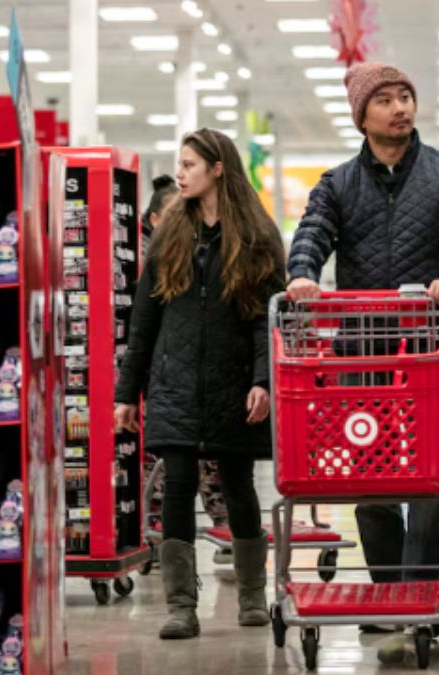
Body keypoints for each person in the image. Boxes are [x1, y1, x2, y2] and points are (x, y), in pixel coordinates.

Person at [286, 62, 439, 647]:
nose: (400, 108)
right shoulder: (337, 183)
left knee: (430, 475)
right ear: (363, 116)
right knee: (370, 469)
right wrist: (302, 275)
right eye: (387, 100)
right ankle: (389, 594)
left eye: (406, 96)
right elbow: (312, 233)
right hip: (362, 347)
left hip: (430, 349)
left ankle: (423, 594)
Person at [115, 129, 286, 640]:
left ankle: (253, 596)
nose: (181, 172)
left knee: (238, 486)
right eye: (180, 164)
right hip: (176, 384)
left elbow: (266, 322)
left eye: (190, 164)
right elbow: (143, 321)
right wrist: (127, 392)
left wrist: (264, 381)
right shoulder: (169, 235)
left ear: (217, 169)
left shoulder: (256, 236)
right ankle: (181, 605)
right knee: (177, 485)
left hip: (235, 383)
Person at [138, 174, 233, 568]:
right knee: (168, 470)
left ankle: (220, 531)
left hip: (196, 380)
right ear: (158, 218)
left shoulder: (203, 247)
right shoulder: (151, 255)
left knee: (205, 464)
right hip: (164, 379)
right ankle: (160, 537)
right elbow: (144, 324)